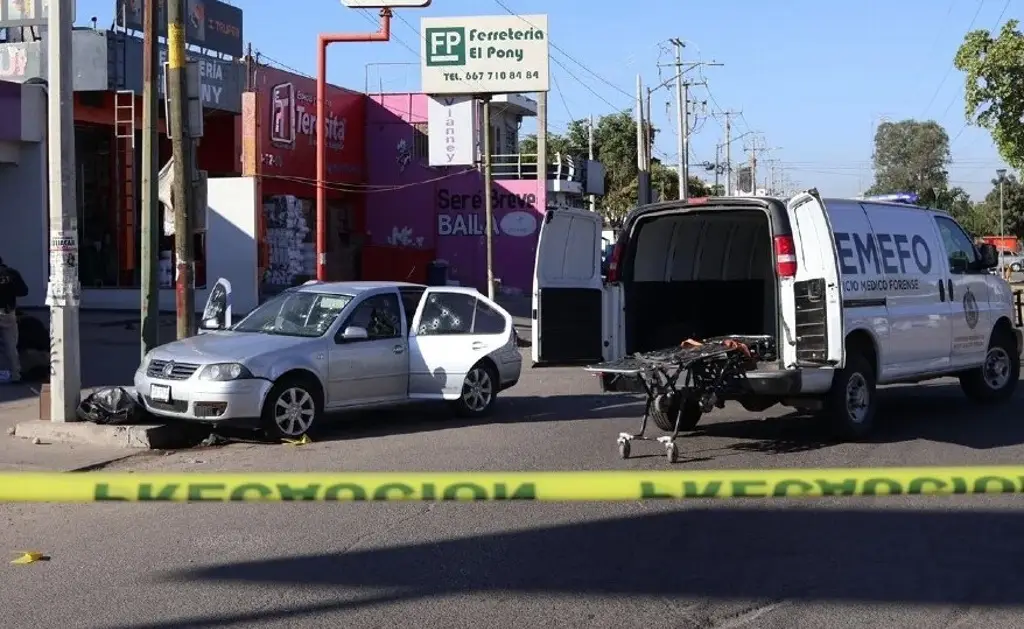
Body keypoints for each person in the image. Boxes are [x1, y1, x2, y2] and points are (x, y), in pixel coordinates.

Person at [0, 256, 28, 383]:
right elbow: (23, 291)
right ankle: (16, 374)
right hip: (7, 312)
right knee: (11, 346)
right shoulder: (11, 274)